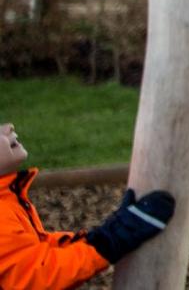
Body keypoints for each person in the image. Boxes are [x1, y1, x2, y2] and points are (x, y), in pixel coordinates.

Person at [0, 122, 173, 290]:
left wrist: (103, 235)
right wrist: (110, 241)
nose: (8, 127)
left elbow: (34, 254)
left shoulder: (6, 200)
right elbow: (35, 278)